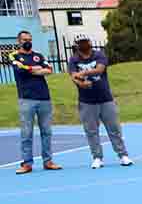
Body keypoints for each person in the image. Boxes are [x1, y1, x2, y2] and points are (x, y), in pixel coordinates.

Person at [68, 35, 133, 169]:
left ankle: (123, 155)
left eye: (86, 42)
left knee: (114, 129)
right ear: (77, 45)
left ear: (90, 42)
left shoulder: (99, 55)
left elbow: (99, 69)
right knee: (91, 131)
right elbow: (73, 76)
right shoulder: (74, 59)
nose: (84, 44)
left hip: (105, 98)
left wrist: (82, 74)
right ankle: (97, 157)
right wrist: (81, 83)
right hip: (86, 101)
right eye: (81, 43)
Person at [10, 30, 61, 175]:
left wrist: (36, 70)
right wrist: (36, 69)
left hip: (44, 98)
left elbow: (49, 69)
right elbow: (20, 70)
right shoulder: (15, 55)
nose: (28, 41)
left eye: (30, 39)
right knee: (26, 132)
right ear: (18, 41)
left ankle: (48, 161)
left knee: (46, 131)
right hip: (26, 99)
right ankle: (27, 163)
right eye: (25, 39)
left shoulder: (38, 56)